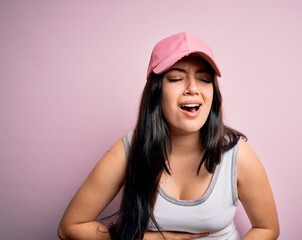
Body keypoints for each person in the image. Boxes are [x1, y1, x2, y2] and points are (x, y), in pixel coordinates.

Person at [58, 32, 280, 240]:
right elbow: (69, 227)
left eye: (204, 79)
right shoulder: (129, 150)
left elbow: (267, 228)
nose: (193, 88)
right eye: (175, 78)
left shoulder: (237, 155)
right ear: (156, 92)